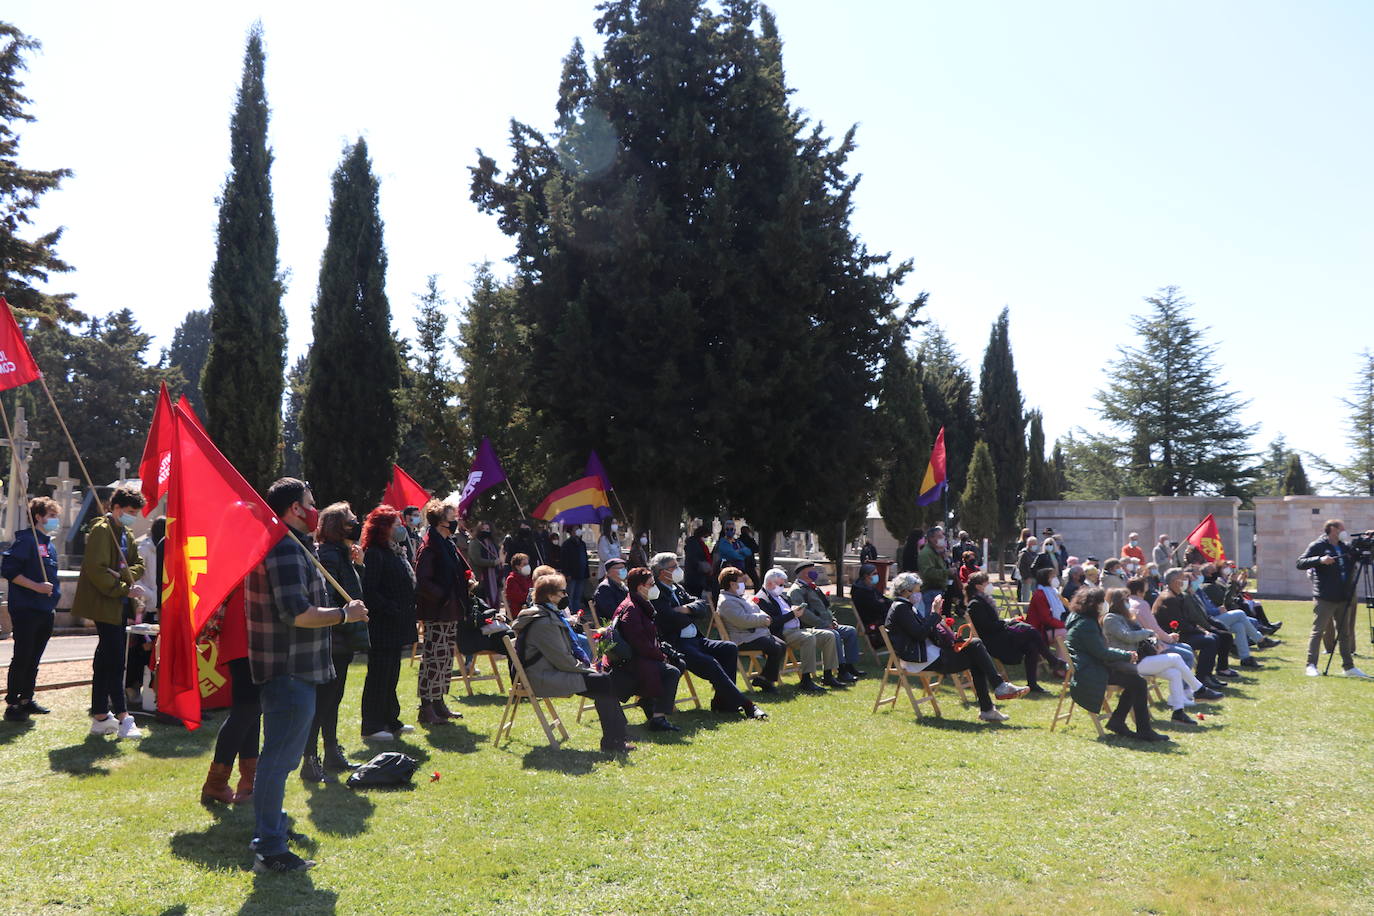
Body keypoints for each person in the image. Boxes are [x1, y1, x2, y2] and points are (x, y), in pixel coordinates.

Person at [246, 478, 368, 872]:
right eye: (311, 503)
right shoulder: (284, 549)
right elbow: (297, 613)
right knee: (278, 762)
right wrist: (344, 615)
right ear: (295, 509)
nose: (315, 509)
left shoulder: (298, 547)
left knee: (279, 760)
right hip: (288, 670)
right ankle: (270, 848)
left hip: (301, 670)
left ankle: (274, 828)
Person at [512, 573, 634, 754]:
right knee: (603, 681)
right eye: (562, 592)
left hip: (552, 671)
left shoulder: (549, 614)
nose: (565, 595)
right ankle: (615, 739)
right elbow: (561, 658)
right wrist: (585, 668)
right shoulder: (544, 622)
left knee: (603, 680)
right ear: (550, 596)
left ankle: (617, 737)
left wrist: (586, 668)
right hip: (542, 676)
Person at [884, 572, 1029, 722]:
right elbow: (920, 634)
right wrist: (934, 614)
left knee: (975, 652)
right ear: (905, 591)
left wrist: (938, 622)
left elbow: (922, 631)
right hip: (921, 660)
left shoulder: (905, 607)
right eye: (917, 590)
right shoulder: (901, 608)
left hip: (927, 655)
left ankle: (990, 705)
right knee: (975, 646)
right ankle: (996, 692)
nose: (919, 593)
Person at [649, 552, 767, 719]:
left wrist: (686, 609)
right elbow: (670, 618)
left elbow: (702, 606)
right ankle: (747, 705)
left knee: (729, 648)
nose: (678, 570)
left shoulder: (678, 588)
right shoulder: (656, 592)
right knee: (710, 663)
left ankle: (723, 702)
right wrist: (691, 612)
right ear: (662, 571)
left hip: (697, 639)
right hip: (677, 645)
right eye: (674, 567)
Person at [71, 487, 149, 739]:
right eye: (128, 512)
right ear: (115, 508)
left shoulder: (124, 532)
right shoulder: (102, 531)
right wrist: (124, 588)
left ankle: (101, 716)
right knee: (115, 660)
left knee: (105, 660)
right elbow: (97, 569)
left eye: (135, 513)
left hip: (116, 603)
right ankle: (124, 717)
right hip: (104, 603)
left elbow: (139, 565)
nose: (132, 517)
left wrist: (123, 576)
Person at [300, 502, 368, 783]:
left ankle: (331, 751)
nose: (356, 524)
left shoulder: (342, 554)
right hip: (334, 638)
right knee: (323, 701)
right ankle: (310, 759)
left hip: (344, 639)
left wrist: (359, 566)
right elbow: (329, 598)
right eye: (351, 520)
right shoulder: (328, 556)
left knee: (334, 699)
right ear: (337, 526)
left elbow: (354, 592)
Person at [1063, 587, 1170, 742]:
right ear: (1094, 604)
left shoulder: (1081, 619)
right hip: (1090, 672)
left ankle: (1119, 722)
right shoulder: (1086, 625)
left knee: (1136, 681)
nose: (1105, 604)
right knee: (1138, 682)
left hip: (1091, 667)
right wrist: (1126, 655)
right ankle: (1140, 729)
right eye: (1102, 602)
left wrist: (1124, 655)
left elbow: (1100, 650)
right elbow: (1102, 653)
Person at [1102, 587, 1214, 723]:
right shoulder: (1110, 618)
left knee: (1174, 673)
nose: (1128, 602)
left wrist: (1150, 637)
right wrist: (1148, 632)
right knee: (1176, 657)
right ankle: (1199, 689)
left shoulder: (1126, 617)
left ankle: (1178, 712)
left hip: (1139, 658)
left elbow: (1138, 635)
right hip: (1126, 663)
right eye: (1125, 600)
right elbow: (1127, 636)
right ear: (1117, 602)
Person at [360, 506, 419, 741]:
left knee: (391, 674)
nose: (400, 528)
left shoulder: (395, 551)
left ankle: (391, 720)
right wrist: (389, 607)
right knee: (379, 675)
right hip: (383, 625)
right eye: (395, 524)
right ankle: (372, 726)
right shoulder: (375, 553)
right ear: (383, 528)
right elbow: (370, 590)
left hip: (397, 624)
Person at [3, 497, 62, 722]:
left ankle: (27, 698)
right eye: (52, 516)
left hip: (45, 609)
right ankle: (13, 703)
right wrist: (36, 586)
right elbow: (9, 570)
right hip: (27, 609)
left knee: (35, 657)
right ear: (38, 517)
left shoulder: (50, 544)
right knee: (23, 656)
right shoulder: (26, 541)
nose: (55, 521)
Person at [199, 588, 260, 805]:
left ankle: (249, 783)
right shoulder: (252, 559)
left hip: (245, 639)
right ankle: (216, 784)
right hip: (246, 639)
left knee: (251, 713)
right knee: (246, 712)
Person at [414, 499, 470, 724]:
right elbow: (423, 581)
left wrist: (468, 579)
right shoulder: (429, 546)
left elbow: (460, 568)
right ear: (440, 522)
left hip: (450, 610)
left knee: (445, 659)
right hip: (436, 612)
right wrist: (444, 597)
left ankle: (438, 702)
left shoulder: (448, 543)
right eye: (451, 518)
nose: (455, 521)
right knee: (433, 659)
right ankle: (426, 707)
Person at [964, 572, 1065, 694]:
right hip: (994, 640)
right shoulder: (975, 604)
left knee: (1031, 646)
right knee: (1031, 631)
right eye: (987, 583)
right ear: (978, 586)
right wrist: (1005, 622)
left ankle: (1033, 683)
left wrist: (1005, 622)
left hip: (1000, 634)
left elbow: (993, 624)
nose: (990, 585)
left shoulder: (983, 600)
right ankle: (1053, 661)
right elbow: (987, 627)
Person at [611, 568, 682, 731]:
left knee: (679, 662)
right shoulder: (631, 609)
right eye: (651, 584)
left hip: (642, 656)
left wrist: (662, 652)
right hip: (631, 660)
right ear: (639, 587)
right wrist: (660, 655)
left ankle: (650, 703)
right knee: (672, 671)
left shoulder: (639, 603)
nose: (654, 587)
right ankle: (658, 718)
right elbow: (639, 643)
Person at [1298, 519, 1369, 678]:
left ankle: (1349, 667)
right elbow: (1300, 562)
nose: (1344, 531)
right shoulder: (1318, 545)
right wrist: (1319, 560)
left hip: (1344, 596)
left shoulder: (1345, 546)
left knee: (1344, 634)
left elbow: (1362, 555)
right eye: (1341, 528)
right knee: (1318, 631)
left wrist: (1368, 539)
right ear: (1332, 529)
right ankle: (1311, 665)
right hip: (1325, 596)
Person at [756, 567, 836, 693]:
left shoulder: (781, 596)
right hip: (782, 634)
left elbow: (789, 613)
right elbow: (772, 623)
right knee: (808, 638)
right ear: (770, 583)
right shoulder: (762, 599)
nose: (783, 587)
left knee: (828, 635)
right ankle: (806, 679)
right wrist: (792, 614)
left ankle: (828, 675)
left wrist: (796, 610)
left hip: (797, 630)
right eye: (781, 584)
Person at [1153, 568, 1229, 691]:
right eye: (1183, 578)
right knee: (1209, 641)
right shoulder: (1169, 598)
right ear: (1174, 581)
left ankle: (1207, 675)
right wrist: (1201, 631)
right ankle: (1202, 677)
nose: (1185, 581)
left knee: (1214, 637)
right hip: (1174, 636)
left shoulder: (1177, 595)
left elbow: (1188, 618)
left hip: (1183, 632)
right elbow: (1181, 624)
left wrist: (1202, 629)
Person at [789, 561, 863, 683]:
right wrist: (823, 624)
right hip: (813, 627)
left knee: (850, 631)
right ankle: (841, 670)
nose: (815, 573)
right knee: (835, 635)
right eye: (811, 570)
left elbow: (825, 607)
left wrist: (833, 620)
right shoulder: (797, 590)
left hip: (827, 624)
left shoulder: (813, 586)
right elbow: (804, 614)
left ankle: (850, 666)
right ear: (803, 573)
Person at [716, 566, 784, 691]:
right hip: (742, 639)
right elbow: (742, 621)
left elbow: (757, 610)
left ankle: (764, 679)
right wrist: (763, 620)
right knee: (775, 648)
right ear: (732, 584)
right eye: (741, 582)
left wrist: (764, 617)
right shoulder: (727, 602)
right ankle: (767, 682)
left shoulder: (741, 596)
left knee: (782, 645)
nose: (744, 584)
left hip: (755, 634)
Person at [1197, 564, 1273, 669]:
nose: (1217, 571)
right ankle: (1260, 640)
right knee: (1240, 614)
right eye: (1214, 570)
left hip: (1216, 616)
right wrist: (1217, 609)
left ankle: (1245, 658)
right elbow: (1225, 601)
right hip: (1210, 620)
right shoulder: (1207, 587)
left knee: (1239, 626)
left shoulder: (1204, 588)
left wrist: (1234, 582)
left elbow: (1229, 597)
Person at [126, 516, 165, 709]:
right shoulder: (144, 550)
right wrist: (151, 596)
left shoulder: (166, 548)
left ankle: (154, 691)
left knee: (154, 653)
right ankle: (133, 686)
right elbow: (137, 580)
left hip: (161, 609)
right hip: (145, 610)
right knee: (140, 650)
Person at [1127, 576, 1196, 670]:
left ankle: (1185, 682)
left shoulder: (1127, 603)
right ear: (1139, 592)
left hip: (1140, 645)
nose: (1146, 594)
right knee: (1187, 655)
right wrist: (1170, 638)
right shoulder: (1141, 605)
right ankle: (1186, 684)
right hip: (1148, 647)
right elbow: (1153, 629)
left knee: (1186, 647)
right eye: (1145, 592)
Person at [849, 563, 890, 648]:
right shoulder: (861, 592)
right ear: (866, 576)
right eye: (874, 574)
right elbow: (877, 607)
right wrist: (882, 603)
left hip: (879, 618)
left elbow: (885, 600)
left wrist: (884, 602)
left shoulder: (870, 588)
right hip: (874, 625)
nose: (877, 576)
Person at [1025, 567, 1069, 646]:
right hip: (1039, 630)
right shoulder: (1040, 595)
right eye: (1052, 576)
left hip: (1049, 627)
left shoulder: (1053, 592)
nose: (1055, 578)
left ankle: (1062, 657)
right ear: (1045, 579)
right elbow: (1046, 619)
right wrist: (1064, 625)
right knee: (1067, 633)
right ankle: (1063, 658)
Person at [468, 520, 502, 611]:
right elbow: (477, 560)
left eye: (487, 529)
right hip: (480, 579)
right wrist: (493, 562)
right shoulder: (475, 543)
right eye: (483, 529)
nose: (485, 531)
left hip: (493, 579)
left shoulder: (492, 543)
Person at [560, 524, 591, 616]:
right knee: (570, 595)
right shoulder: (567, 544)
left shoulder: (582, 544)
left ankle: (577, 614)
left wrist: (586, 573)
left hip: (581, 574)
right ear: (571, 531)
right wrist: (567, 573)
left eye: (579, 528)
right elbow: (564, 561)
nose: (578, 530)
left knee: (578, 596)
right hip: (571, 575)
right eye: (576, 528)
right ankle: (570, 614)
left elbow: (585, 559)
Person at [917, 527, 950, 612]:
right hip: (930, 591)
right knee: (930, 618)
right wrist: (948, 572)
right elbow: (928, 573)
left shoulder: (936, 552)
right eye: (939, 536)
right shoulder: (927, 553)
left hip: (937, 590)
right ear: (931, 538)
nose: (943, 538)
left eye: (942, 535)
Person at [714, 522, 752, 587]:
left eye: (731, 529)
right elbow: (733, 554)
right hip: (727, 574)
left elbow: (748, 552)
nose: (729, 531)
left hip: (739, 573)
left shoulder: (737, 542)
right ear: (724, 530)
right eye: (727, 529)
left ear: (734, 530)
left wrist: (739, 551)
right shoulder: (722, 542)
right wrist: (741, 554)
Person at [592, 556, 628, 624]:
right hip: (612, 626)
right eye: (619, 568)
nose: (623, 570)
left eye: (624, 568)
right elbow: (612, 612)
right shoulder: (605, 588)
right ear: (609, 571)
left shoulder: (623, 586)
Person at [683, 524, 713, 598]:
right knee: (694, 596)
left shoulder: (697, 543)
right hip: (694, 577)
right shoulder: (694, 544)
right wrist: (705, 566)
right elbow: (694, 559)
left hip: (697, 576)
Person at [504, 553, 534, 619]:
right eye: (524, 564)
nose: (527, 566)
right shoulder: (511, 579)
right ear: (517, 566)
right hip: (518, 614)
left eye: (527, 564)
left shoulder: (528, 578)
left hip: (529, 610)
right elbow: (519, 597)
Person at [1015, 535, 1040, 602]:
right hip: (1027, 578)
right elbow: (1021, 567)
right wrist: (1026, 577)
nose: (1035, 545)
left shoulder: (1035, 554)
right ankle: (1025, 609)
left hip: (1034, 578)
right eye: (1034, 544)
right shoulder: (1024, 553)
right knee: (1026, 595)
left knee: (1036, 595)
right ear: (1029, 544)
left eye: (1036, 544)